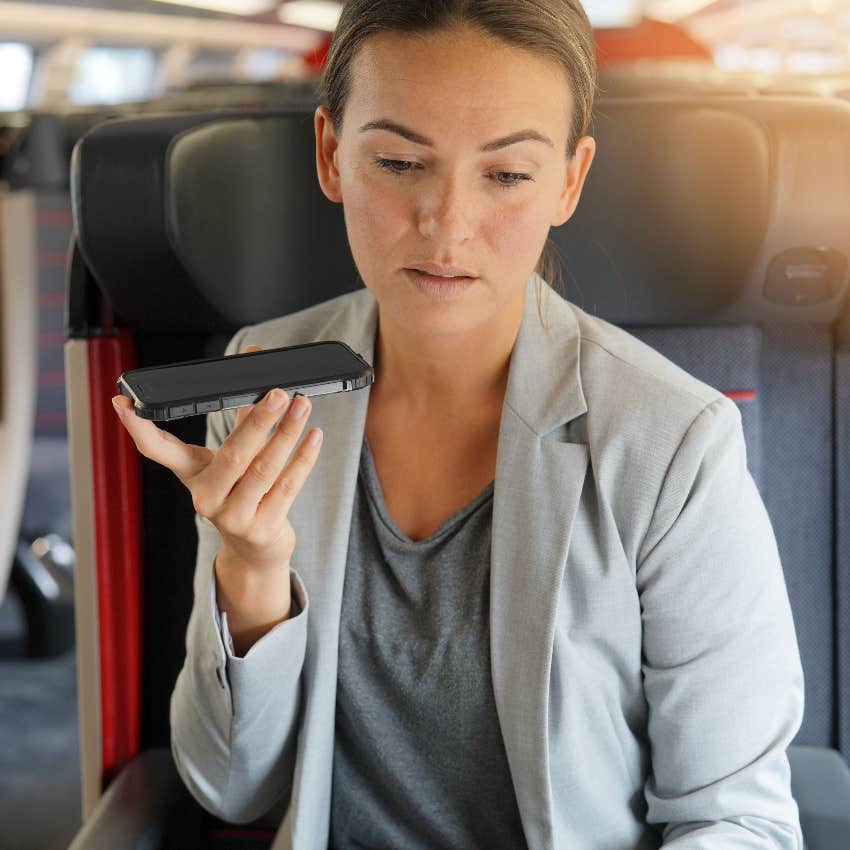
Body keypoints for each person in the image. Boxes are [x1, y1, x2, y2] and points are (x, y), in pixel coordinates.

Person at [110, 1, 805, 848]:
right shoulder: (266, 377)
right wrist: (252, 570)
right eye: (401, 161)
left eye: (506, 175)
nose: (446, 224)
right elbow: (232, 789)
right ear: (331, 154)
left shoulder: (671, 444)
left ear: (569, 182)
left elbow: (737, 819)